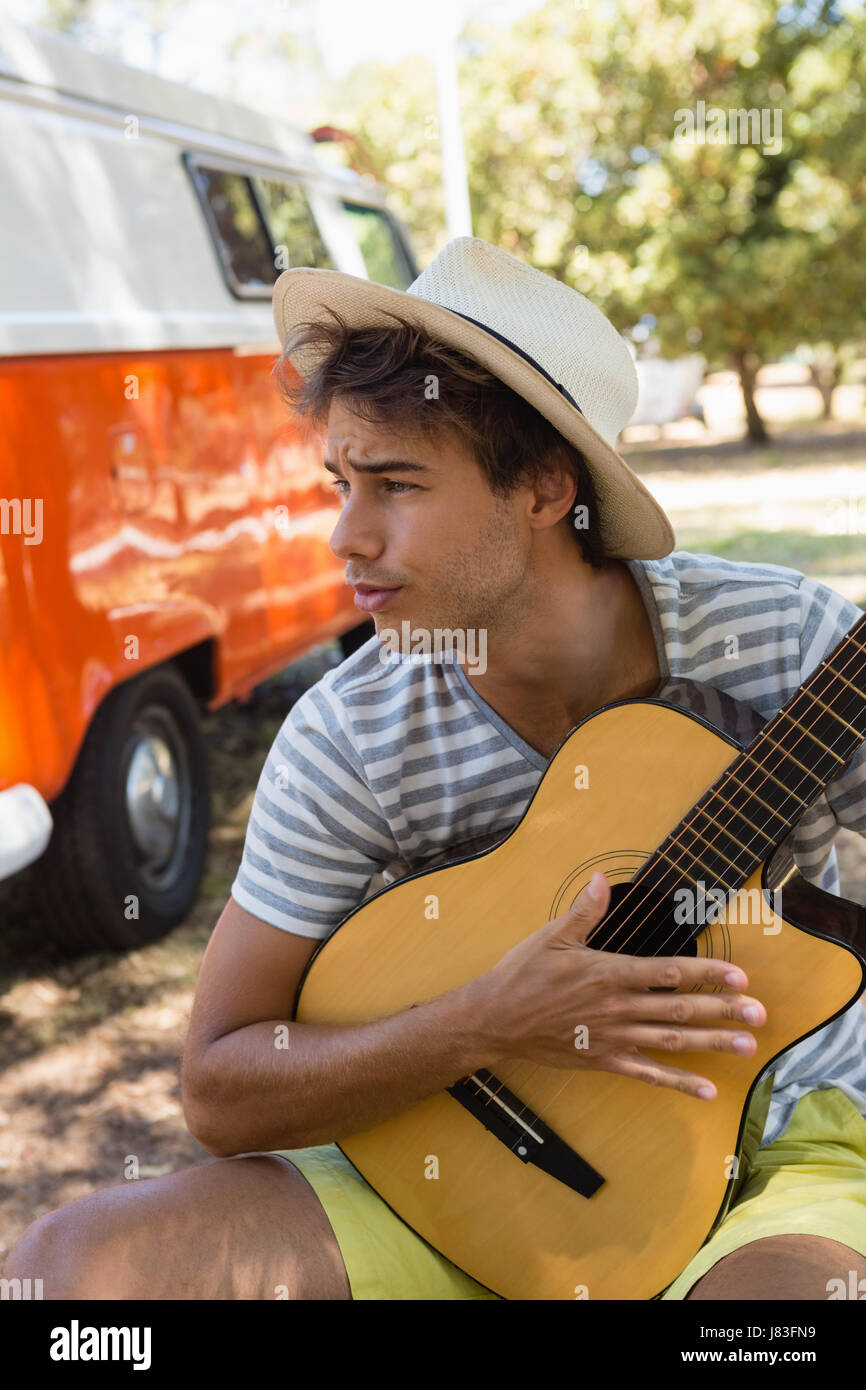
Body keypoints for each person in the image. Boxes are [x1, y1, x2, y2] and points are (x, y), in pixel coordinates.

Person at [6, 237, 866, 1301]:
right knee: (71, 1276)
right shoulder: (348, 735)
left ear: (547, 487)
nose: (343, 536)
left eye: (395, 485)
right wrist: (491, 1017)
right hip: (450, 1161)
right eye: (339, 482)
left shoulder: (789, 643)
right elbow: (220, 1087)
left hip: (782, 1145)